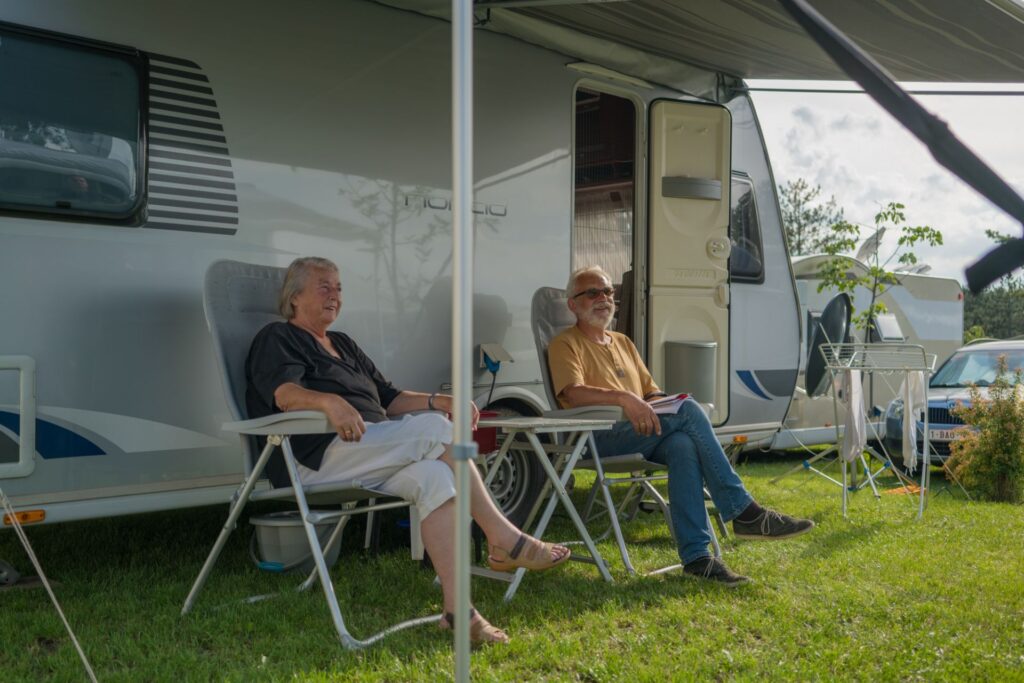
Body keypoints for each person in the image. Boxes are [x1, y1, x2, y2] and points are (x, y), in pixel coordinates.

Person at [246, 256, 570, 644]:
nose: (335, 295)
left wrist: (441, 400)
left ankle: (457, 612)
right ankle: (505, 538)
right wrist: (329, 403)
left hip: (370, 447)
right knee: (436, 431)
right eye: (324, 287)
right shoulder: (278, 337)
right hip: (315, 455)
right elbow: (284, 394)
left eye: (339, 287)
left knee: (435, 476)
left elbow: (390, 398)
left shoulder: (343, 343)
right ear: (295, 296)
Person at [547, 265, 815, 587]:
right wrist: (625, 400)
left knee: (683, 445)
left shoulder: (622, 342)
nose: (603, 298)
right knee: (688, 410)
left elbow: (650, 392)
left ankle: (697, 558)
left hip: (637, 432)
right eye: (592, 292)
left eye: (608, 292)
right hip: (597, 436)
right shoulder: (565, 344)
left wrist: (661, 402)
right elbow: (574, 394)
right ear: (573, 304)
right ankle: (745, 512)